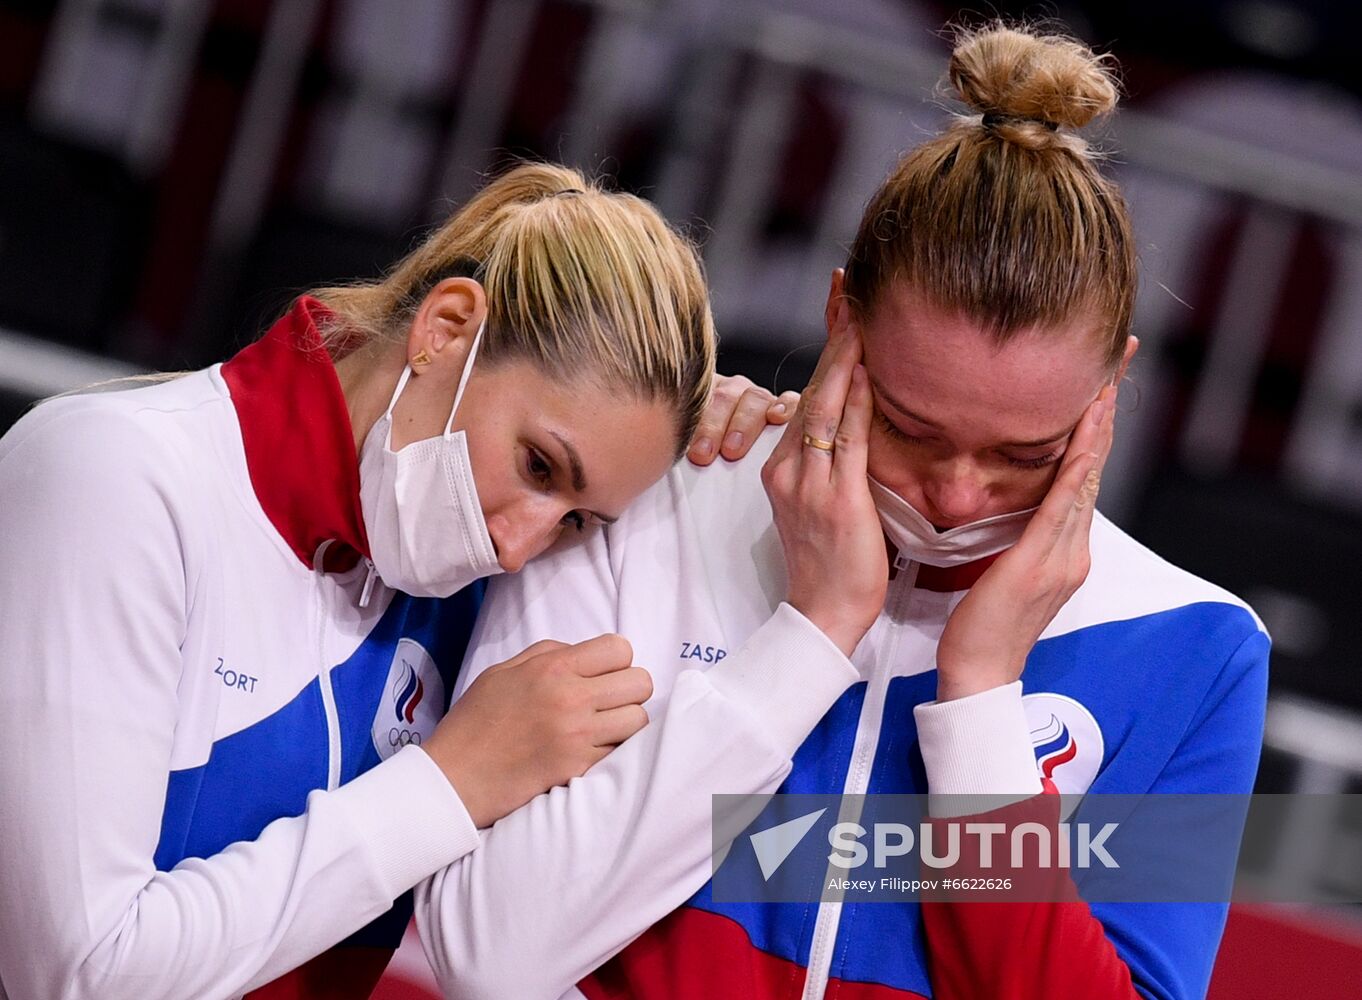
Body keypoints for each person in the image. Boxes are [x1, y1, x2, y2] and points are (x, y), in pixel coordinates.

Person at [427, 24, 1270, 1000]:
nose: (957, 493)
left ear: (1111, 386)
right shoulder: (641, 502)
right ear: (841, 323)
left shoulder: (1193, 647)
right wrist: (811, 634)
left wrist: (985, 704)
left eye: (1022, 455)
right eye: (912, 427)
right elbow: (487, 956)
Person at [0, 162, 805, 1000]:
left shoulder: (463, 584)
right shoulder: (111, 476)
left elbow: (779, 854)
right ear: (446, 329)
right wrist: (450, 782)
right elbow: (78, 973)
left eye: (579, 517)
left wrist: (723, 490)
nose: (519, 548)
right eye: (538, 464)